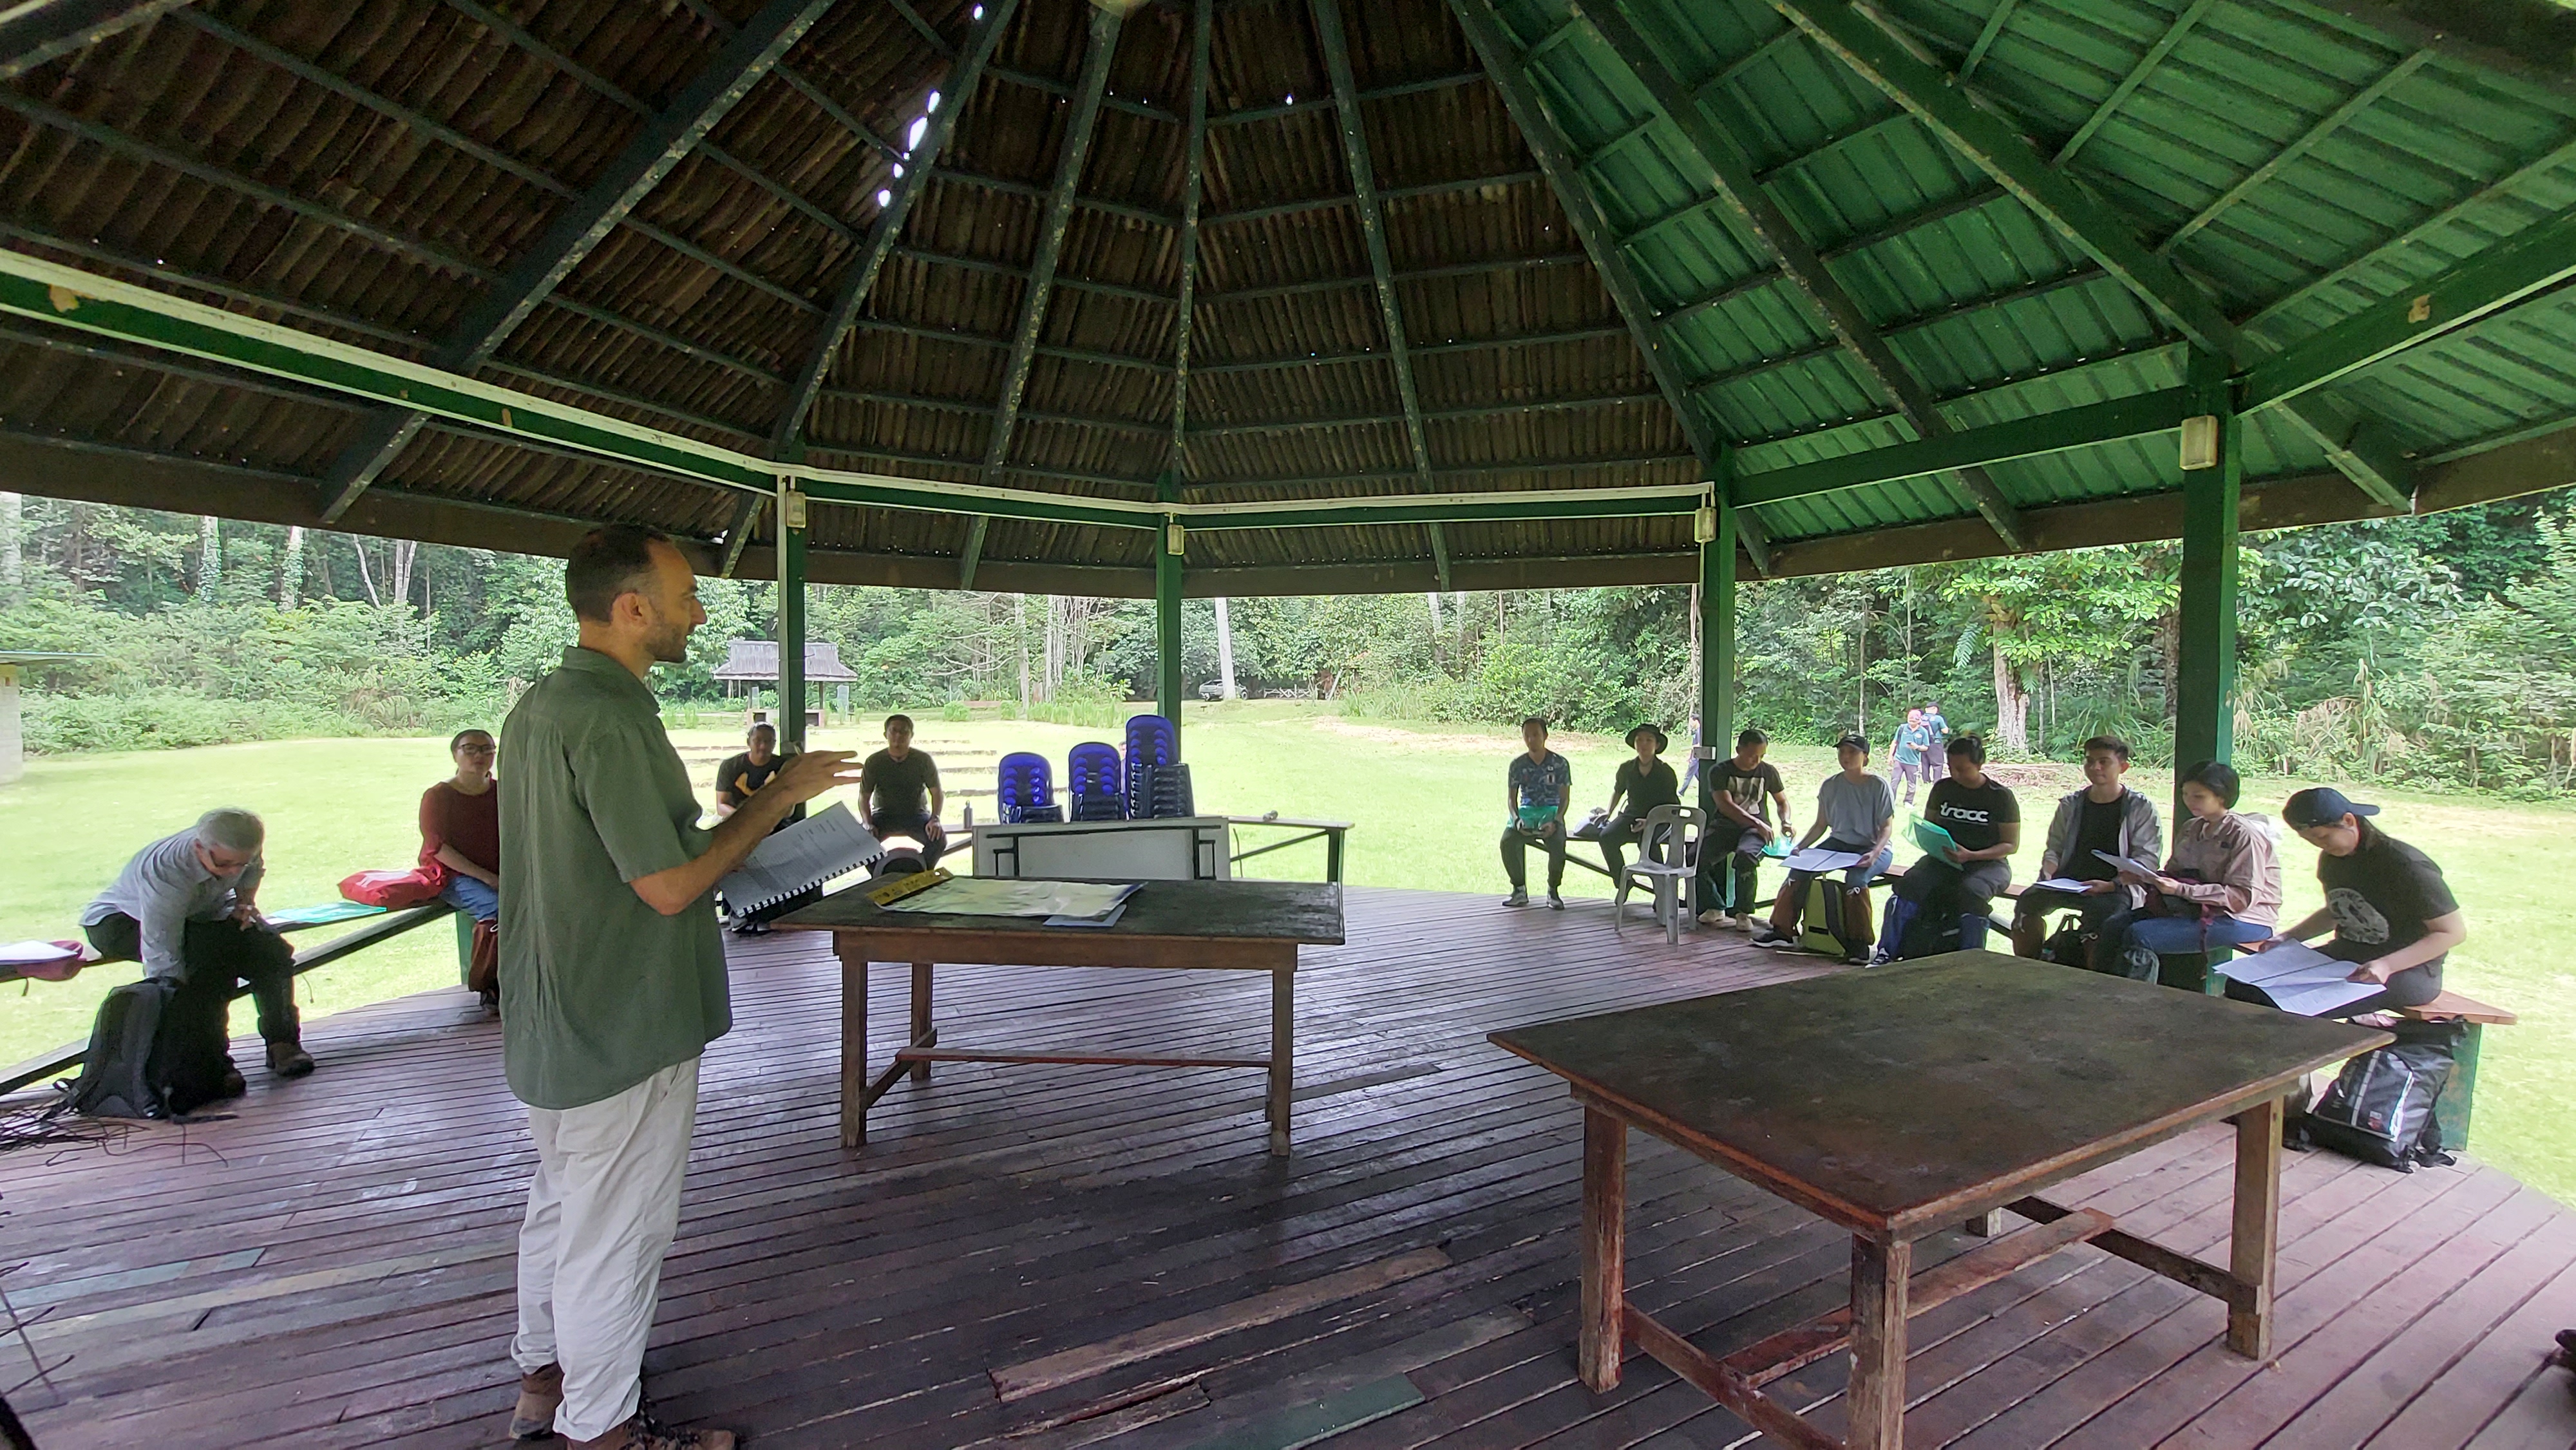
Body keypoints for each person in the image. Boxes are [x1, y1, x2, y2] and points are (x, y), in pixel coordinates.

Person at [498, 525, 858, 1450]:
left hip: (554, 1011)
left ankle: (543, 1379)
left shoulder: (540, 706)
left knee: (563, 1203)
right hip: (622, 1014)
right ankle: (604, 1431)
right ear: (632, 610)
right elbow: (667, 885)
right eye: (686, 595)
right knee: (617, 1237)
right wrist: (778, 802)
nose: (699, 612)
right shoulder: (611, 717)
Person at [80, 807, 312, 1101]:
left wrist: (244, 903)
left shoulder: (241, 849)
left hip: (200, 916)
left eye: (240, 863)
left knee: (271, 951)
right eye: (224, 863)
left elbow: (252, 870)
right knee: (207, 967)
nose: (232, 870)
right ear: (199, 848)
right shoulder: (167, 870)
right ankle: (213, 1066)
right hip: (121, 921)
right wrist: (167, 1001)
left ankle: (283, 1043)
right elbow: (161, 945)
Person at [2241, 787, 2466, 1016]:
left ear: (2349, 821)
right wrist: (2289, 937)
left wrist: (2387, 965)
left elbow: (2451, 932)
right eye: (2309, 840)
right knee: (2242, 990)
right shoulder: (2333, 860)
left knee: (2283, 1008)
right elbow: (2337, 909)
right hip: (2348, 957)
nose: (2319, 845)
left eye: (2323, 837)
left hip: (2408, 971)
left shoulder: (2406, 865)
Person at [2108, 760, 2280, 977]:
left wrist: (2180, 890)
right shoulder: (2192, 828)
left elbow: (2241, 898)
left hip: (2243, 919)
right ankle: (2099, 988)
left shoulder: (2244, 835)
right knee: (2115, 926)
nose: (2189, 801)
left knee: (2140, 935)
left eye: (2198, 796)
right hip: (2196, 908)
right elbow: (2177, 875)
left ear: (2222, 797)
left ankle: (2131, 1001)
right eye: (2186, 794)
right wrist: (2144, 879)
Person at [2011, 735, 2162, 973]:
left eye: (2104, 762)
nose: (2095, 768)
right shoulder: (2071, 804)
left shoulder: (2139, 808)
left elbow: (2147, 859)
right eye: (2090, 761)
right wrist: (2049, 870)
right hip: (2069, 881)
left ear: (2123, 767)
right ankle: (2028, 968)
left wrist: (2112, 884)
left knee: (2103, 917)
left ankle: (2092, 978)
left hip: (2115, 887)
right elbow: (2055, 847)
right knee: (2028, 902)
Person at [1751, 734, 1893, 963]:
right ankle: (1783, 931)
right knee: (1797, 871)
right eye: (1842, 752)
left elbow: (1887, 828)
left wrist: (1875, 853)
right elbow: (1821, 824)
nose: (1845, 757)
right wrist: (1801, 847)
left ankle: (1859, 944)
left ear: (1865, 757)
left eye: (1852, 753)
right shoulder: (1830, 785)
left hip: (1872, 845)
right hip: (1838, 843)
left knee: (1856, 882)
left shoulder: (1878, 785)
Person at [1879, 735, 2020, 962]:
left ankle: (1969, 961)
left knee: (1971, 894)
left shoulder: (2000, 796)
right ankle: (1887, 952)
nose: (1956, 775)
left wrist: (1972, 855)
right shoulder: (1943, 789)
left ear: (1979, 764)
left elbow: (2010, 845)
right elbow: (1930, 826)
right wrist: (1929, 841)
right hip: (1943, 859)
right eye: (1952, 768)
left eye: (1963, 769)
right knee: (1907, 886)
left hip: (1988, 864)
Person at [422, 729, 503, 1008]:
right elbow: (438, 848)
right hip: (452, 874)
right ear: (455, 754)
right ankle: (489, 984)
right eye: (470, 749)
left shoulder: (502, 792)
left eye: (487, 749)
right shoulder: (438, 796)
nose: (479, 756)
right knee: (496, 909)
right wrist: (488, 878)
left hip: (499, 871)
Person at [1697, 728, 1792, 930]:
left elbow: (1782, 802)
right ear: (1739, 749)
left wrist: (1786, 822)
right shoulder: (1720, 771)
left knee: (1746, 857)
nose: (1756, 761)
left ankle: (1743, 912)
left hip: (1755, 831)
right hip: (1725, 826)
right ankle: (1715, 906)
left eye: (1761, 756)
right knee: (1695, 860)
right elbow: (1726, 805)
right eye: (1751, 756)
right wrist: (1757, 822)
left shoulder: (1768, 771)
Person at [1500, 715, 1572, 910]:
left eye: (1536, 735)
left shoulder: (1560, 763)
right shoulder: (1517, 764)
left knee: (1558, 844)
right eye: (1527, 736)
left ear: (1545, 736)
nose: (1532, 740)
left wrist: (1556, 821)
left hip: (1551, 810)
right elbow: (1511, 799)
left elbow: (1564, 799)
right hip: (1527, 810)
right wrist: (1517, 820)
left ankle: (1553, 890)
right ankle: (1519, 889)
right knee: (1507, 842)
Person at [860, 713, 946, 867]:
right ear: (886, 734)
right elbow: (864, 797)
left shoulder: (923, 760)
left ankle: (922, 874)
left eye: (904, 731)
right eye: (894, 731)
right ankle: (880, 875)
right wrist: (867, 823)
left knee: (938, 840)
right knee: (863, 842)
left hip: (916, 814)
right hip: (883, 814)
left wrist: (935, 819)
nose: (898, 735)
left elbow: (937, 792)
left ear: (911, 735)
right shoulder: (874, 762)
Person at [1598, 724, 1681, 881]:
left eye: (1649, 740)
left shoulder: (1665, 771)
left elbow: (1673, 806)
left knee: (1647, 843)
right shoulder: (1627, 768)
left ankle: (1660, 890)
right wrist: (1609, 812)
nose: (1644, 744)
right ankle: (1623, 881)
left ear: (1657, 745)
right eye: (1639, 740)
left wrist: (1650, 821)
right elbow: (1618, 791)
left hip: (1660, 818)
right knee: (1607, 837)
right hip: (1632, 815)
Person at [712, 723, 791, 821]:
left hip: (773, 820)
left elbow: (789, 810)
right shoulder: (730, 766)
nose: (763, 746)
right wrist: (744, 819)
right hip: (737, 820)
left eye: (768, 741)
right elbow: (721, 805)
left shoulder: (784, 767)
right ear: (748, 742)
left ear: (774, 744)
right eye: (757, 741)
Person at [1889, 708, 1934, 805]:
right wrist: (1890, 756)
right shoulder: (1902, 728)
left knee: (1912, 783)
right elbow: (1895, 742)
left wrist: (1917, 747)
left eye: (1914, 721)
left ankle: (1908, 802)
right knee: (1894, 781)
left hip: (1913, 762)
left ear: (1919, 721)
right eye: (1910, 720)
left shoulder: (1923, 732)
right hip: (1899, 759)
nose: (1911, 722)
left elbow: (1926, 747)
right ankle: (1891, 801)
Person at [1922, 701, 1951, 784]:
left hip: (1923, 744)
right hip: (1935, 743)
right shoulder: (1938, 718)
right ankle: (1936, 781)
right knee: (1938, 764)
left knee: (1925, 763)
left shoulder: (1921, 718)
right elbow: (1945, 731)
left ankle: (1926, 780)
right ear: (1935, 709)